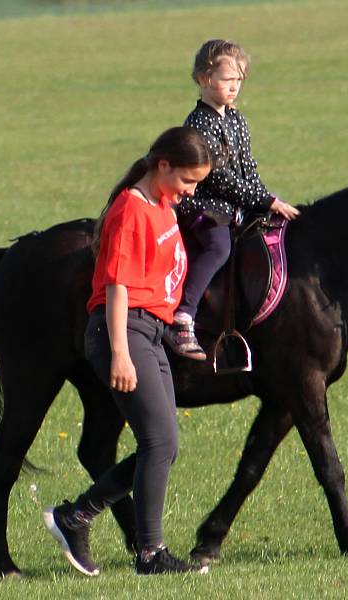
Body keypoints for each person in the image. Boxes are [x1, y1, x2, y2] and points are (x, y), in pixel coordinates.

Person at [42, 126, 211, 575]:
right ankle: (150, 553)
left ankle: (75, 516)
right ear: (162, 166)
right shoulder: (130, 210)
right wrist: (119, 352)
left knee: (164, 446)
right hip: (125, 330)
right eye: (186, 181)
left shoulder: (162, 204)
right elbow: (117, 286)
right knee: (158, 441)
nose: (189, 191)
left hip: (151, 332)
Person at [163, 39, 300, 360]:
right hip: (205, 206)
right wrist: (265, 201)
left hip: (236, 206)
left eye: (239, 79)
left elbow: (248, 169)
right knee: (219, 247)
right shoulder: (199, 123)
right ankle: (184, 315)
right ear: (203, 79)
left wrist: (269, 200)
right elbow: (218, 177)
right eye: (227, 79)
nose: (234, 86)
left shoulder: (236, 119)